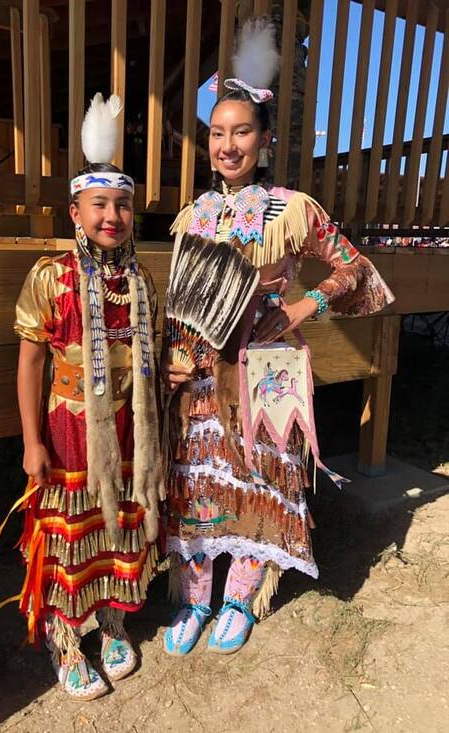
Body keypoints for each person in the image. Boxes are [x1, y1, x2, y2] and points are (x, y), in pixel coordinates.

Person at [161, 18, 394, 657]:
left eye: (241, 133)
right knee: (199, 478)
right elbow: (183, 299)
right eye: (217, 133)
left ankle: (240, 596)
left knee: (260, 476)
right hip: (202, 370)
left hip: (266, 366)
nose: (227, 145)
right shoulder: (192, 216)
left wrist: (302, 306)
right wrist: (175, 358)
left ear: (263, 142)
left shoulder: (292, 208)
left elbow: (357, 269)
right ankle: (193, 598)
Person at [0, 93, 164, 699]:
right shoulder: (51, 278)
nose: (111, 215)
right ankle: (67, 641)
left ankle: (113, 623)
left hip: (125, 428)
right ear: (75, 212)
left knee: (120, 525)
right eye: (99, 204)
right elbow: (31, 361)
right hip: (67, 432)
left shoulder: (139, 281)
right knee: (68, 530)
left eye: (122, 204)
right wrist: (31, 442)